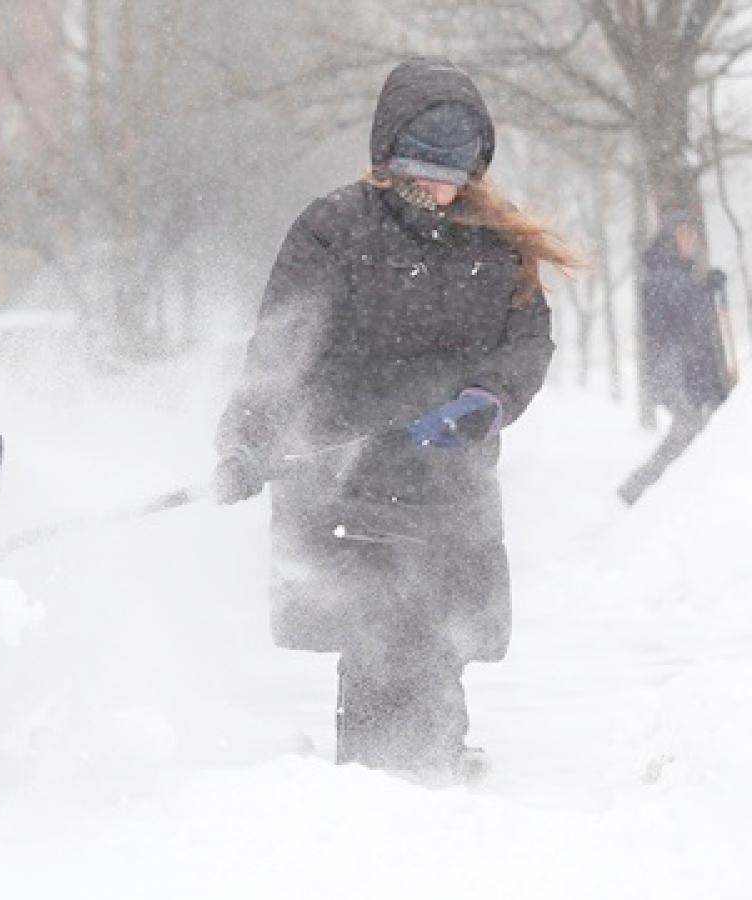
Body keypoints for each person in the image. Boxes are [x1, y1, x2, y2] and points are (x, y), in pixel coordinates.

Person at [211, 57, 579, 782]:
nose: (439, 190)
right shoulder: (333, 229)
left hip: (450, 479)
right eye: (422, 172)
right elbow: (279, 349)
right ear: (387, 161)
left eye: (453, 174)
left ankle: (431, 776)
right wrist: (246, 444)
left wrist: (488, 399)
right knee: (380, 632)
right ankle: (385, 787)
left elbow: (527, 339)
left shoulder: (494, 243)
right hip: (348, 477)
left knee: (441, 632)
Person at [617, 212, 732, 505]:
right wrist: (706, 290)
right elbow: (682, 313)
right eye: (684, 234)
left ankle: (645, 490)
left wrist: (704, 288)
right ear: (670, 239)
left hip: (678, 370)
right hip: (671, 372)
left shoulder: (674, 272)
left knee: (690, 429)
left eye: (693, 235)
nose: (691, 241)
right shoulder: (662, 273)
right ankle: (644, 491)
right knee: (690, 429)